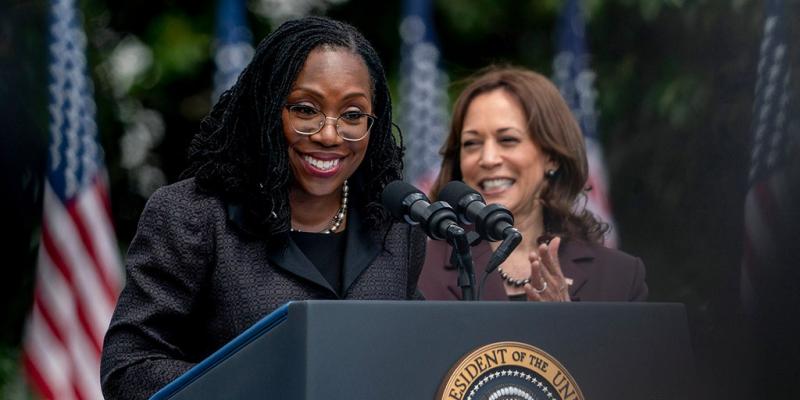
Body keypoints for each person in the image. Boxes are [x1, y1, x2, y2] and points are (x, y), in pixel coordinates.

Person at [100, 16, 426, 399]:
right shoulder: (193, 215)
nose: (329, 135)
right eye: (306, 109)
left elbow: (413, 357)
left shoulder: (396, 226)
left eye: (353, 115)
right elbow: (129, 366)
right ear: (268, 108)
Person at [418, 66, 647, 302]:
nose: (487, 159)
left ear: (551, 156)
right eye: (472, 143)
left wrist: (569, 323)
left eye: (508, 140)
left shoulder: (619, 277)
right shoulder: (418, 270)